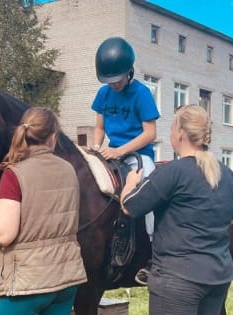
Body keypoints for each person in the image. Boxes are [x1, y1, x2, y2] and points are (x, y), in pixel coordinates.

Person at [120, 105, 233, 315]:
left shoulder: (172, 172)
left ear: (180, 134)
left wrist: (131, 182)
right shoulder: (227, 174)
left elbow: (130, 206)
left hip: (178, 281)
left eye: (172, 128)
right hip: (218, 278)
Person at [0, 107, 87, 315]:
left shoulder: (14, 175)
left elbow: (5, 234)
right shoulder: (69, 170)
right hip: (65, 278)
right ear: (53, 137)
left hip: (27, 284)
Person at [91, 36, 160, 284]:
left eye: (117, 80)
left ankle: (155, 251)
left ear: (129, 71)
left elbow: (150, 133)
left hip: (139, 156)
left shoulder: (141, 93)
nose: (114, 85)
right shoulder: (104, 92)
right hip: (110, 151)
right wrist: (97, 147)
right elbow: (98, 127)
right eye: (109, 81)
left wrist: (121, 152)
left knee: (150, 193)